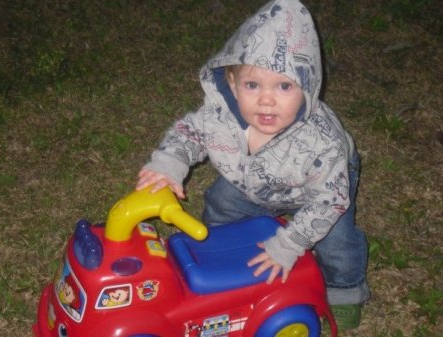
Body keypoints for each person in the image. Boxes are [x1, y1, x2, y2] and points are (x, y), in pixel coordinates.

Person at [136, 0, 369, 330]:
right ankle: (227, 255)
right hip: (255, 183)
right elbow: (189, 132)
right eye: (252, 85)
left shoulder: (321, 141)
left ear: (307, 87)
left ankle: (346, 291)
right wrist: (170, 161)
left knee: (338, 243)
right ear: (231, 84)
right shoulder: (220, 117)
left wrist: (289, 244)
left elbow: (329, 201)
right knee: (220, 203)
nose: (266, 99)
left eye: (285, 86)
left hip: (321, 186)